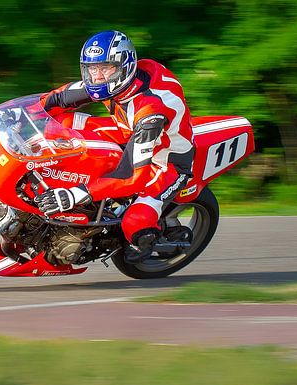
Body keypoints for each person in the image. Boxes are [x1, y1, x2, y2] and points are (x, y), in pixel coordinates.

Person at [35, 30, 194, 263]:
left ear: (125, 67)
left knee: (135, 221)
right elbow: (59, 99)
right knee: (63, 126)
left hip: (166, 158)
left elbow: (131, 176)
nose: (97, 76)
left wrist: (75, 194)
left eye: (105, 68)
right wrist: (25, 115)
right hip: (128, 131)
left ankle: (147, 239)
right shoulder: (115, 82)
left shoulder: (150, 109)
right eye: (92, 69)